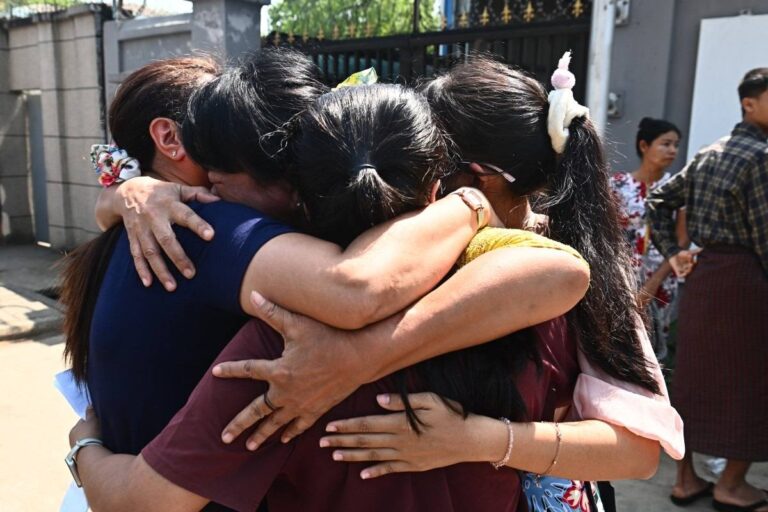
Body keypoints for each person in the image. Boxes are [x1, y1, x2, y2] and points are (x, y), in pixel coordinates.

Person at [68, 56, 677, 512]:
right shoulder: (515, 271)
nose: (213, 191)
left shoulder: (287, 342)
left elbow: (632, 439)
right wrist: (128, 192)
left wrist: (364, 362)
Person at [647, 67, 768, 512]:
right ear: (749, 104)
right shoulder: (763, 156)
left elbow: (658, 201)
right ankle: (731, 485)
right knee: (752, 383)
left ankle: (685, 481)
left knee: (695, 380)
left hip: (703, 279)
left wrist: (675, 252)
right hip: (748, 282)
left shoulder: (707, 152)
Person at [610, 117, 687, 360]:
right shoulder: (617, 185)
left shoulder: (678, 188)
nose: (672, 150)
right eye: (666, 144)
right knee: (615, 340)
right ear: (644, 146)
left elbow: (682, 240)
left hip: (662, 278)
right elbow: (606, 233)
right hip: (619, 275)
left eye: (676, 145)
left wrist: (653, 283)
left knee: (652, 345)